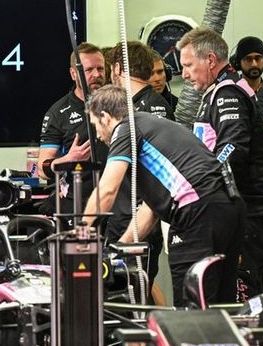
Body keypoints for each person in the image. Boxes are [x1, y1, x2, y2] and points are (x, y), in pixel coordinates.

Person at [82, 85, 245, 306]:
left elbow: (107, 190)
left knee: (191, 307)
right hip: (229, 206)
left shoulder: (126, 127)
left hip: (196, 211)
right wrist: (118, 249)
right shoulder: (155, 126)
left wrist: (81, 234)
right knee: (222, 304)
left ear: (105, 117)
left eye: (95, 125)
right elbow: (150, 209)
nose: (98, 136)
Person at [179, 27, 263, 300]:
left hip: (240, 210)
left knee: (241, 298)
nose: (184, 74)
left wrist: (205, 185)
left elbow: (233, 147)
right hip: (230, 209)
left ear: (210, 60)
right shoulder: (217, 90)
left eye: (188, 65)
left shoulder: (228, 92)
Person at [107, 41, 174, 291]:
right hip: (134, 214)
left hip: (138, 217)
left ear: (117, 69)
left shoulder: (140, 111)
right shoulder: (146, 104)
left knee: (131, 293)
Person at [37, 43, 109, 218]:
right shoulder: (58, 113)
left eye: (100, 68)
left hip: (116, 200)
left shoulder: (119, 104)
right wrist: (67, 160)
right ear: (73, 73)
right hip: (77, 204)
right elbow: (42, 169)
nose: (96, 75)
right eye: (88, 70)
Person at [233, 35, 263, 135]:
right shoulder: (231, 91)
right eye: (248, 59)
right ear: (238, 63)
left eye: (258, 58)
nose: (254, 64)